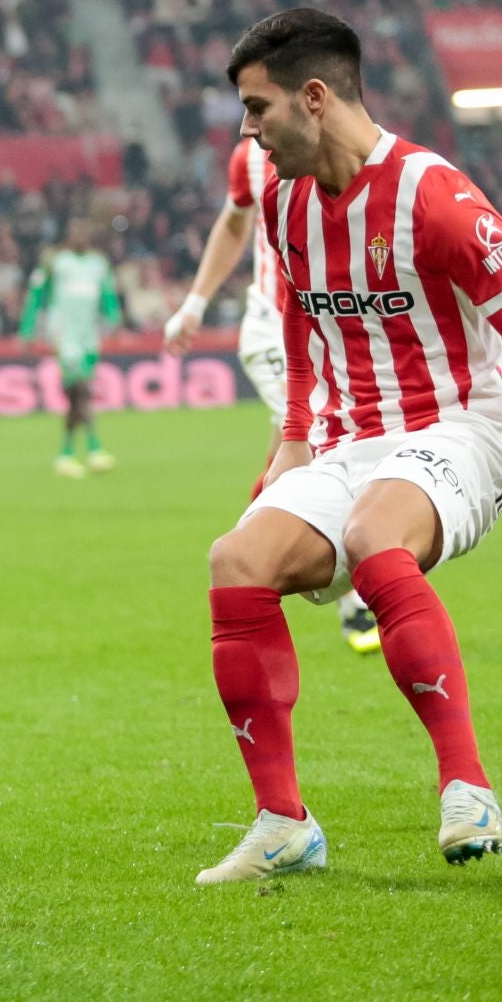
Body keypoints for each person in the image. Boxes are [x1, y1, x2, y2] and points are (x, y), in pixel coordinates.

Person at [196, 8, 502, 884]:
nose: (247, 131)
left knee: (374, 535)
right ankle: (283, 825)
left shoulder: (434, 197)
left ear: (316, 98)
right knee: (236, 561)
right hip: (347, 439)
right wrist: (294, 438)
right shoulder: (283, 198)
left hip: (457, 430)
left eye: (258, 108)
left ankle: (467, 785)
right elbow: (297, 320)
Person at [165, 137, 382, 655]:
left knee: (293, 450)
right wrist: (195, 303)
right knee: (314, 439)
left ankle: (249, 559)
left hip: (330, 322)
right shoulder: (252, 156)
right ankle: (352, 598)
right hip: (273, 326)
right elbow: (235, 222)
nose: (251, 121)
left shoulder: (356, 146)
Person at [20, 217, 121, 477]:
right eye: (75, 232)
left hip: (89, 335)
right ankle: (95, 449)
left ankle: (65, 454)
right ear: (67, 235)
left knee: (76, 398)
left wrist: (114, 318)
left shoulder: (98, 263)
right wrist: (28, 329)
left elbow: (108, 294)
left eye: (84, 231)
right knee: (81, 389)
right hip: (63, 334)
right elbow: (36, 294)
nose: (80, 236)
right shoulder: (55, 261)